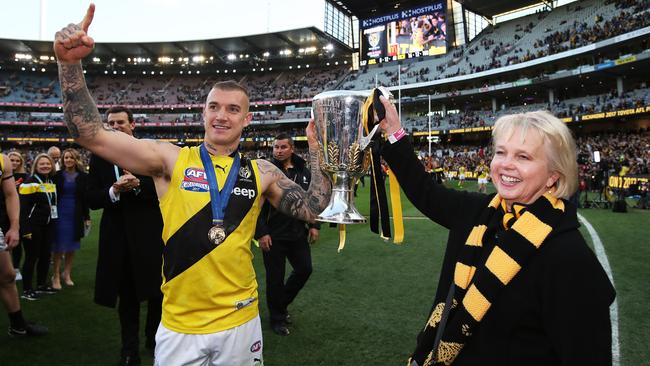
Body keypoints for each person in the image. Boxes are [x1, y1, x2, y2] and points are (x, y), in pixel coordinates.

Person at [54, 6, 331, 365]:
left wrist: (317, 150)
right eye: (214, 106)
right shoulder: (170, 160)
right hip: (181, 324)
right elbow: (89, 133)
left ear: (247, 119)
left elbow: (313, 207)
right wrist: (69, 65)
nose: (221, 115)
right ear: (202, 113)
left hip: (241, 321)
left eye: (233, 109)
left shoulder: (262, 172)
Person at [376, 100, 616, 366]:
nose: (506, 165)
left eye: (523, 156)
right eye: (501, 152)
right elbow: (425, 192)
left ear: (553, 176)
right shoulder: (479, 212)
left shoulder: (570, 258)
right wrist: (394, 131)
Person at [86, 106, 164, 366]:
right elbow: (91, 198)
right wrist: (114, 191)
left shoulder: (149, 152)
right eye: (110, 123)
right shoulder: (99, 158)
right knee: (127, 296)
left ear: (132, 124)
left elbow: (166, 193)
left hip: (150, 235)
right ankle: (129, 349)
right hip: (118, 238)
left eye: (120, 122)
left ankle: (154, 341)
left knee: (157, 293)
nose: (115, 126)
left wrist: (139, 186)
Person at [254, 134, 320, 336]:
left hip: (297, 233)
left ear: (291, 148)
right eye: (275, 147)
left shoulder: (304, 172)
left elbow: (313, 199)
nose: (278, 151)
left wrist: (314, 225)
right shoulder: (265, 171)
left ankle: (280, 305)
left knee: (304, 269)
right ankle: (277, 319)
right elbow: (254, 206)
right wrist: (261, 233)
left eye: (283, 147)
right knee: (275, 279)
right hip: (273, 235)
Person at [0, 153, 48, 337]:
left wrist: (14, 226)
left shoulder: (2, 160)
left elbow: (11, 194)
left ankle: (18, 325)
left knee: (7, 275)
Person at [19, 153, 59, 300]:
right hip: (33, 226)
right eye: (42, 164)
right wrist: (25, 230)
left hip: (48, 225)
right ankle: (27, 289)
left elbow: (51, 204)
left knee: (45, 256)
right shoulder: (29, 182)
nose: (45, 166)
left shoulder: (50, 180)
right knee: (31, 257)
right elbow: (22, 209)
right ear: (36, 165)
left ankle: (41, 285)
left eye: (48, 164)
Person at [51, 148, 90, 289]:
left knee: (72, 246)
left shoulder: (84, 177)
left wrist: (87, 217)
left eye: (71, 157)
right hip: (59, 214)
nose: (68, 160)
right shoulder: (56, 175)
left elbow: (85, 199)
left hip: (76, 214)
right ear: (62, 160)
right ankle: (55, 276)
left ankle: (66, 274)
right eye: (66, 157)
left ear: (76, 159)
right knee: (58, 247)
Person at [2, 152, 28, 279]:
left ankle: (16, 267)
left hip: (18, 213)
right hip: (3, 212)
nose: (14, 163)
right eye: (12, 160)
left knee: (16, 242)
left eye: (17, 161)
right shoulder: (4, 173)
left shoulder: (26, 176)